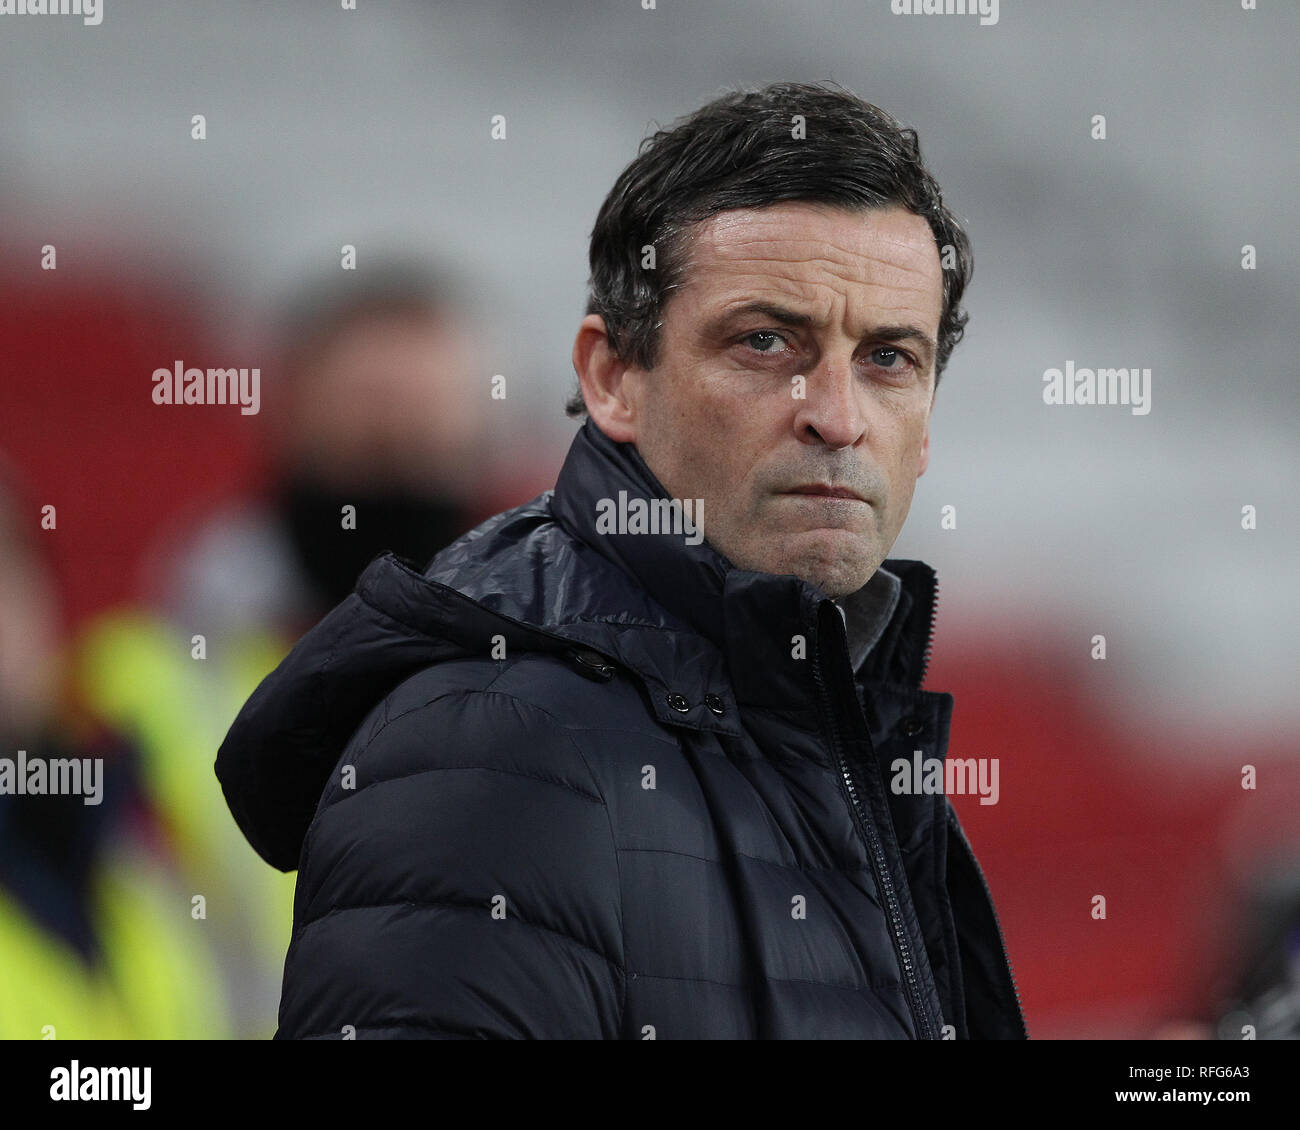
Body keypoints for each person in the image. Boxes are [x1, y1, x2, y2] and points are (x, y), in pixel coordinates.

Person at [217, 80, 1027, 1039]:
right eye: (766, 342)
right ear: (612, 379)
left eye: (890, 359)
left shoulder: (826, 728)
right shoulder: (491, 747)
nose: (838, 417)